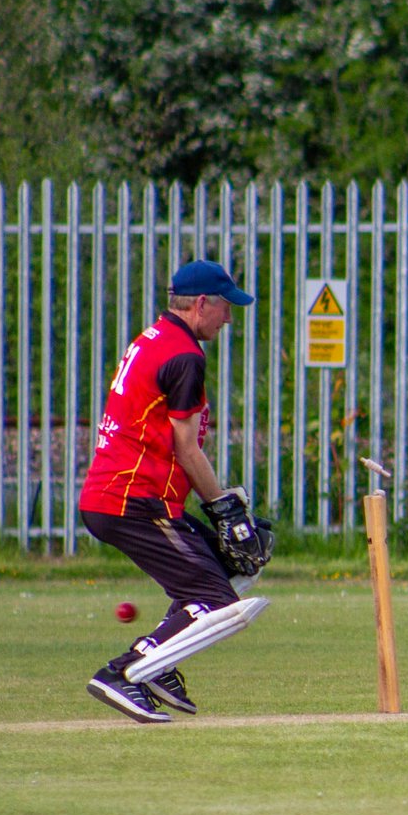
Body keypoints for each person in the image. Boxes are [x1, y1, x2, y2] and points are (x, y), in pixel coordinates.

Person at [80, 259, 273, 724]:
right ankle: (125, 673)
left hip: (130, 496)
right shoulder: (184, 355)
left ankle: (160, 664)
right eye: (225, 307)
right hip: (132, 500)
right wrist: (226, 512)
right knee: (215, 598)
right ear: (202, 303)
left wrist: (223, 510)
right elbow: (187, 450)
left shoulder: (157, 338)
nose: (229, 318)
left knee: (227, 567)